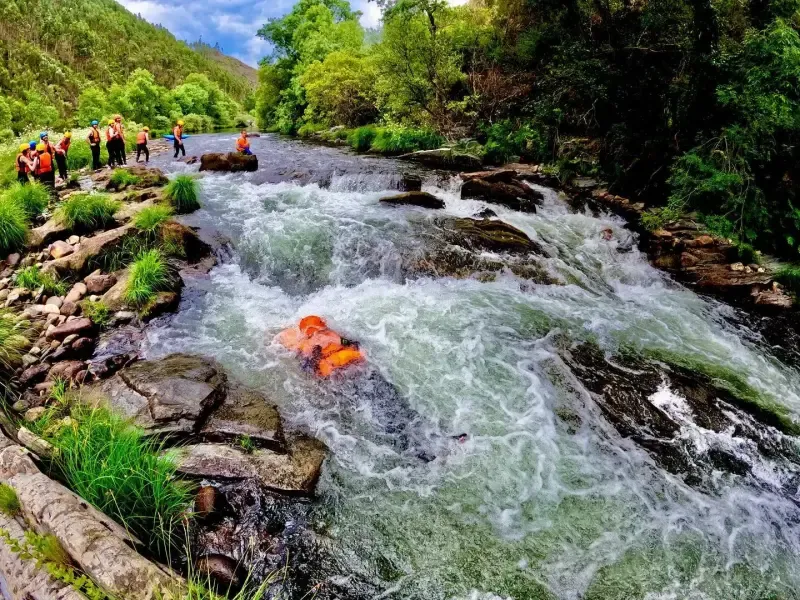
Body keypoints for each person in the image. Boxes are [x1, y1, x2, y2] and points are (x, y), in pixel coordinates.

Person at [277, 316, 365, 377]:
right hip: (350, 358)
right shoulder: (332, 334)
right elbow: (349, 343)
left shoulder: (307, 343)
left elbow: (307, 364)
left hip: (331, 367)